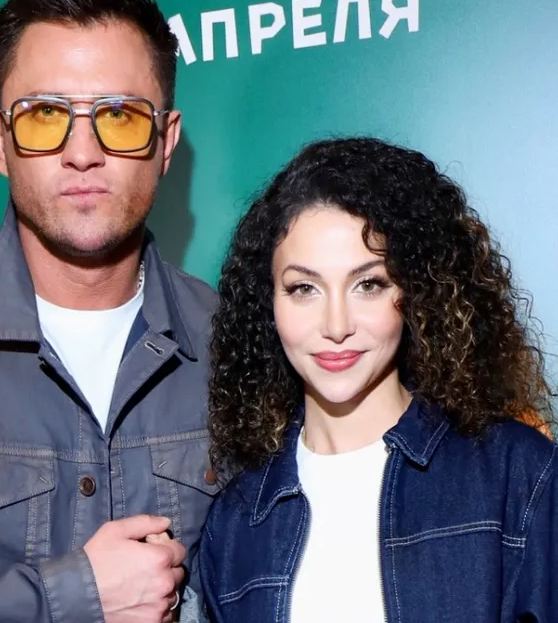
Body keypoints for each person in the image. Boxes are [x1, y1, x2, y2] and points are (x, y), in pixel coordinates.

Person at [0, 0, 218, 621]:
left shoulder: (236, 344)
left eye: (120, 117)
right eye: (45, 115)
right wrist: (68, 597)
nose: (82, 153)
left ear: (165, 143)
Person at [200, 137, 557, 622]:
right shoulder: (237, 521)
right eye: (303, 288)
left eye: (368, 284)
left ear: (417, 291)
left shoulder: (518, 474)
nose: (336, 325)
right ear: (269, 305)